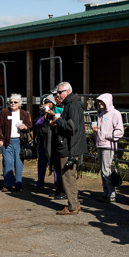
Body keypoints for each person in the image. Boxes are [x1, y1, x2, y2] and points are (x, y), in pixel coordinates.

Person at [51, 82, 87, 215]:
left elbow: (72, 127)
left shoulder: (72, 105)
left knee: (68, 177)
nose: (58, 95)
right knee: (69, 176)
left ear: (68, 91)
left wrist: (58, 120)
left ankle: (73, 206)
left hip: (69, 147)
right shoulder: (72, 104)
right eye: (57, 93)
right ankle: (74, 204)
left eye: (60, 92)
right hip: (70, 146)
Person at [0, 93, 33, 192]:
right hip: (7, 141)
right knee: (7, 163)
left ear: (19, 103)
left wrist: (25, 127)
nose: (13, 104)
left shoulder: (25, 113)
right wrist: (0, 139)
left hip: (20, 142)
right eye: (11, 102)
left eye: (15, 102)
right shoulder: (4, 112)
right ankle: (8, 185)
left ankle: (18, 184)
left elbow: (30, 126)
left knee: (19, 163)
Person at [92, 93, 124, 203]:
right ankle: (106, 192)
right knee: (103, 169)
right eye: (99, 101)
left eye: (101, 101)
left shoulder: (115, 114)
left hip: (108, 144)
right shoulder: (101, 114)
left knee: (106, 170)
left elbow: (119, 131)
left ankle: (111, 194)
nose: (100, 103)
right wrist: (96, 131)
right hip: (101, 143)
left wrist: (106, 135)